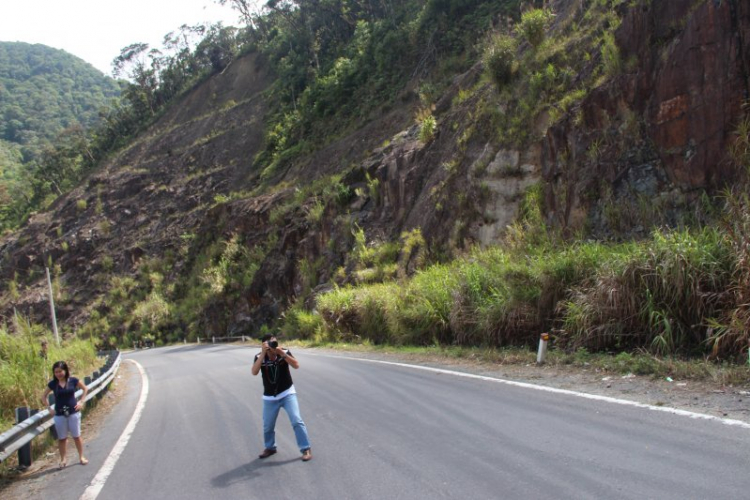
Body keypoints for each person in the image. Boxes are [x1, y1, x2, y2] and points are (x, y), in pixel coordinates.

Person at [251, 334, 312, 462]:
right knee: (268, 425)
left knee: (296, 420)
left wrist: (281, 353)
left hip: (287, 393)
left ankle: (306, 448)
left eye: (274, 342)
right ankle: (270, 447)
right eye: (269, 344)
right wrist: (263, 354)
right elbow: (254, 372)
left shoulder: (283, 352)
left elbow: (296, 365)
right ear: (263, 345)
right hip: (269, 397)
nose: (273, 346)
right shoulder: (258, 357)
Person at [41, 361, 89, 469]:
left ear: (65, 370)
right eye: (56, 372)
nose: (58, 374)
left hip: (73, 413)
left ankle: (81, 457)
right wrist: (49, 408)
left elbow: (85, 388)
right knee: (62, 438)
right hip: (59, 415)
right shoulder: (53, 384)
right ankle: (63, 459)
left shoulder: (73, 380)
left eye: (60, 371)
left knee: (76, 436)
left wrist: (81, 402)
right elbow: (43, 396)